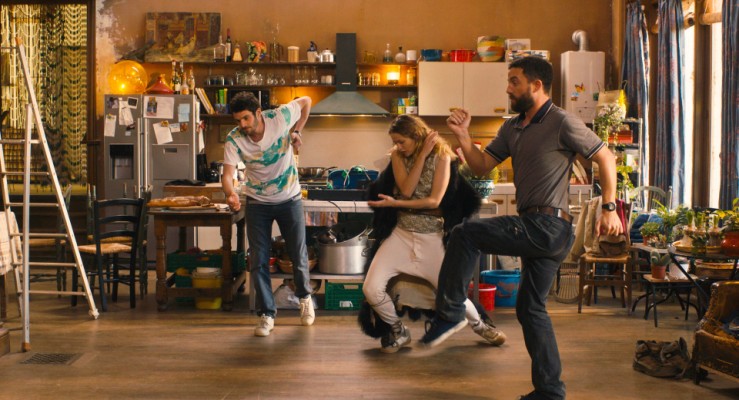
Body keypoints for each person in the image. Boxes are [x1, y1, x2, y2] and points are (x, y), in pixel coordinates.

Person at [418, 57, 623, 400]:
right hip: (539, 226)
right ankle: (550, 391)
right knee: (530, 309)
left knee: (465, 234)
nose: (508, 89)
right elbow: (482, 166)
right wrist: (464, 136)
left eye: (514, 81)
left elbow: (606, 157)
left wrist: (609, 207)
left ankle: (451, 312)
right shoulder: (512, 127)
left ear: (536, 85)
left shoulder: (561, 121)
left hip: (548, 225)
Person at [362, 114, 507, 353]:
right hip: (401, 236)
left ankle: (482, 327)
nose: (398, 146)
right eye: (395, 142)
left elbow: (434, 201)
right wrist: (420, 156)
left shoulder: (442, 156)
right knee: (371, 288)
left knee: (452, 294)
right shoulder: (397, 155)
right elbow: (407, 190)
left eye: (401, 141)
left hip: (431, 238)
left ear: (416, 135)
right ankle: (398, 329)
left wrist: (395, 204)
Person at [222, 92, 314, 337]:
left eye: (246, 118)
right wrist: (230, 194)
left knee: (298, 254)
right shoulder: (234, 139)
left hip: (290, 199)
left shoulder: (280, 117)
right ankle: (266, 315)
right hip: (257, 202)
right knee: (258, 260)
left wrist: (297, 131)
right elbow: (227, 175)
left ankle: (305, 298)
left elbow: (306, 101)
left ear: (258, 113)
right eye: (238, 120)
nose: (242, 125)